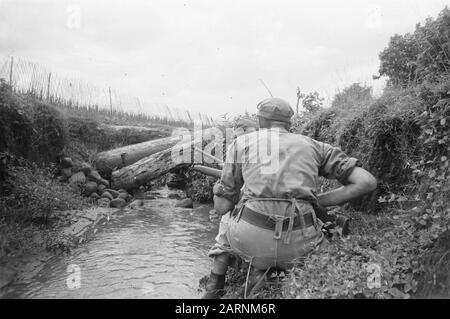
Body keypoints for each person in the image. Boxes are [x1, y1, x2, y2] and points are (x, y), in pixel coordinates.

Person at [202, 97, 377, 299]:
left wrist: (224, 189)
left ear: (260, 121)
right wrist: (318, 201)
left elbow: (222, 206)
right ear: (289, 123)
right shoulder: (316, 146)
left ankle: (214, 286)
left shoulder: (241, 143)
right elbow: (367, 182)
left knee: (227, 217)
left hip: (251, 245)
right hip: (300, 248)